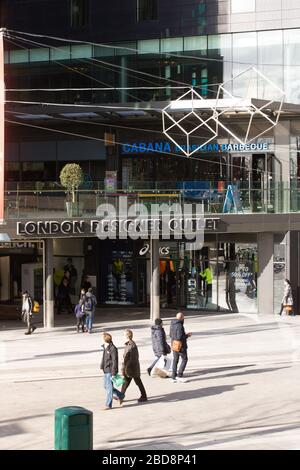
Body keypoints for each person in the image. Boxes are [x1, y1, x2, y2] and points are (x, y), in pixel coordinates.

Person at [121, 329, 147, 403]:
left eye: (123, 335)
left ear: (127, 336)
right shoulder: (128, 344)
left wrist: (126, 368)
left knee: (135, 382)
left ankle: (144, 396)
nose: (122, 336)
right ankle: (121, 396)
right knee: (126, 382)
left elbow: (132, 359)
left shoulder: (131, 345)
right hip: (130, 368)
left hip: (131, 368)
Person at [100, 332, 125, 410]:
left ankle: (108, 404)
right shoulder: (105, 347)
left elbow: (115, 361)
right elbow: (104, 358)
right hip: (106, 369)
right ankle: (121, 395)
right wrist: (102, 366)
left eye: (102, 339)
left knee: (109, 389)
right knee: (105, 386)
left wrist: (114, 373)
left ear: (105, 340)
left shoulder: (113, 348)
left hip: (110, 370)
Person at [170, 312, 192, 383]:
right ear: (182, 318)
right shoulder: (179, 325)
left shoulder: (172, 324)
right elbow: (179, 337)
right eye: (183, 318)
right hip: (180, 346)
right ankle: (179, 375)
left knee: (175, 360)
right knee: (184, 359)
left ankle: (173, 376)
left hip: (174, 345)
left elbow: (170, 335)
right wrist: (187, 335)